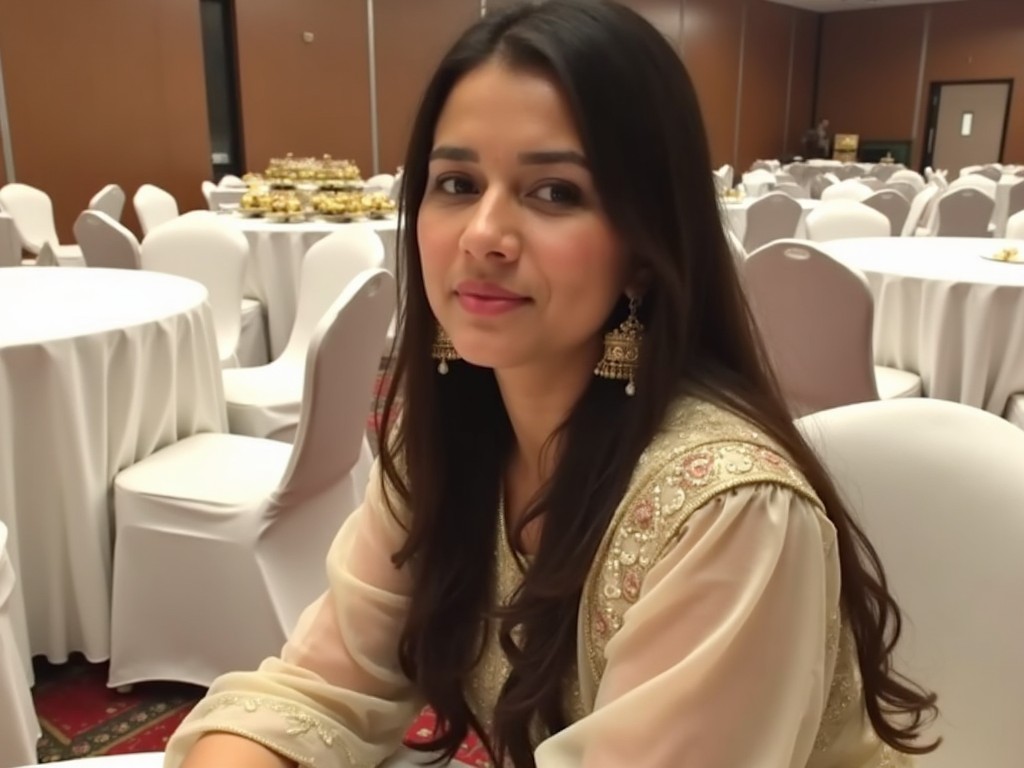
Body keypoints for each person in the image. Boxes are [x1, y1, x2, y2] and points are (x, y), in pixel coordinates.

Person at [165, 2, 939, 767]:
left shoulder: (725, 510)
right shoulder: (449, 438)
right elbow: (318, 689)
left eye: (554, 192)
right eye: (458, 183)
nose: (483, 236)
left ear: (644, 245)